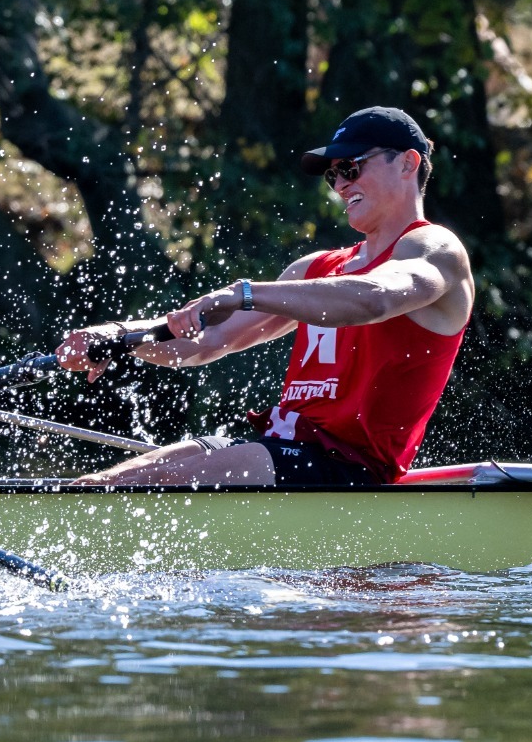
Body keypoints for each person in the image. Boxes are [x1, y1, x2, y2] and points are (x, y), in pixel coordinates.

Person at [54, 107, 475, 487]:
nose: (342, 185)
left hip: (349, 470)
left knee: (139, 490)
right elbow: (207, 343)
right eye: (334, 176)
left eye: (351, 167)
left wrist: (245, 293)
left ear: (408, 162)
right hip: (281, 450)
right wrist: (119, 338)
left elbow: (375, 298)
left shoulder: (436, 249)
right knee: (95, 486)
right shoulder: (314, 269)